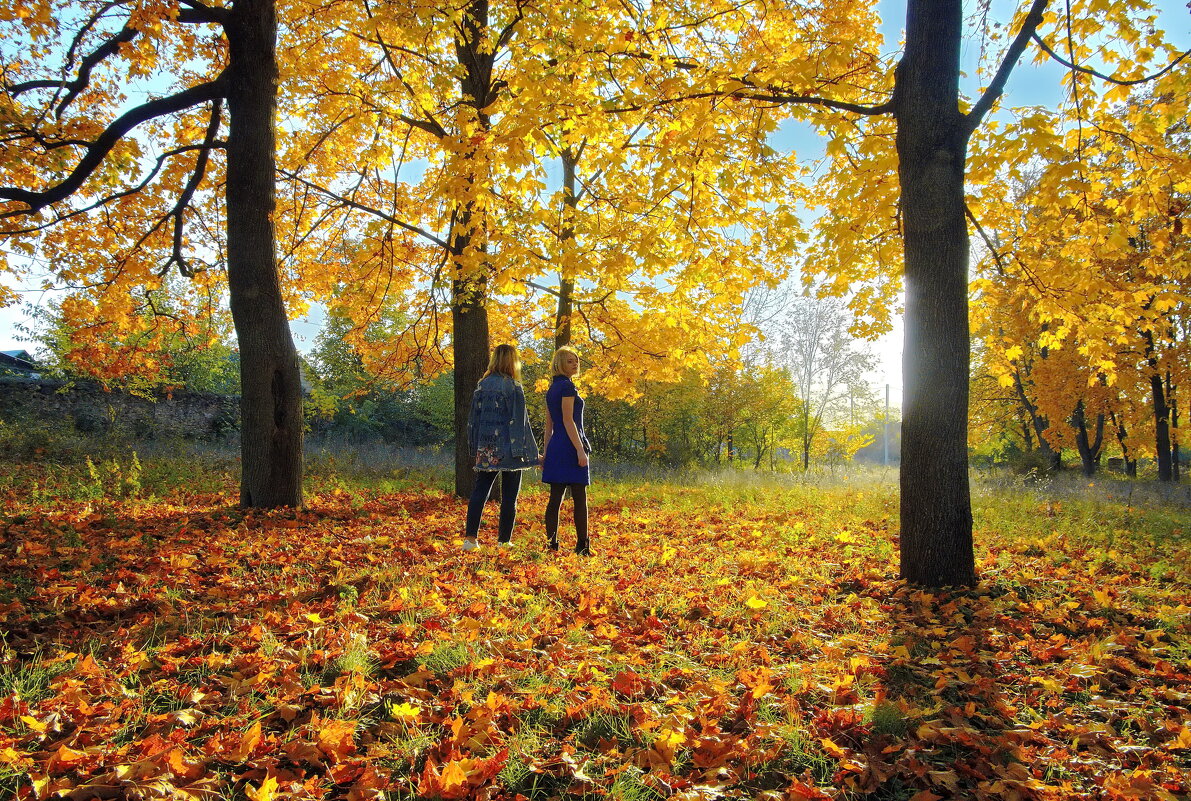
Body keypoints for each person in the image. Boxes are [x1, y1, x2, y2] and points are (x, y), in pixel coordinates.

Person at [464, 344, 539, 551]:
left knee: (480, 491)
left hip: (486, 446)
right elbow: (521, 423)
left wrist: (474, 447)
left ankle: (470, 539)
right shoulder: (514, 387)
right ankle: (504, 541)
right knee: (509, 496)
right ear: (512, 362)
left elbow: (473, 420)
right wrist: (531, 454)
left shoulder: (482, 385)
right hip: (511, 448)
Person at [541, 346, 592, 555]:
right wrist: (580, 450)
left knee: (555, 498)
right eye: (570, 361)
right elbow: (567, 420)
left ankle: (552, 545)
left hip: (556, 446)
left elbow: (548, 426)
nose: (575, 363)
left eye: (576, 360)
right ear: (560, 363)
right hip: (569, 446)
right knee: (579, 496)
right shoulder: (567, 388)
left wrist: (546, 453)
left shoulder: (552, 388)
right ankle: (582, 546)